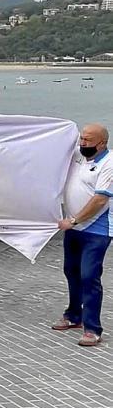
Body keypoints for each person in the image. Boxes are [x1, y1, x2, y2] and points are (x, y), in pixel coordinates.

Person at [55, 123, 112, 346]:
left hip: (96, 230)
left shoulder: (109, 163)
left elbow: (100, 200)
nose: (83, 143)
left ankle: (92, 329)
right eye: (81, 139)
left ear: (102, 143)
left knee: (89, 275)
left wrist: (74, 220)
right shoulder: (78, 155)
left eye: (88, 140)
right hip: (74, 229)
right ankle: (73, 316)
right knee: (71, 271)